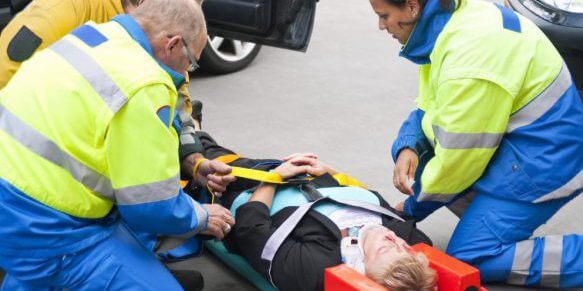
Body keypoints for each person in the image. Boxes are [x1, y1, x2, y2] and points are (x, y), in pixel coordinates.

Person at [0, 0, 235, 289]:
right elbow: (151, 204)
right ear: (173, 44)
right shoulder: (145, 82)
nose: (187, 70)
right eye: (192, 60)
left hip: (12, 212)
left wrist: (191, 158)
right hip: (51, 234)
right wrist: (199, 217)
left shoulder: (89, 37)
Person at [366, 0, 583, 288]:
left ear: (412, 7)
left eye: (384, 16)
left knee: (470, 257)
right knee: (428, 163)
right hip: (526, 143)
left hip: (546, 162)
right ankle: (490, 213)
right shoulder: (454, 20)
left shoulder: (470, 63)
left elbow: (459, 162)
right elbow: (431, 105)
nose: (382, 26)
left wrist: (409, 210)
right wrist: (409, 143)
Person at [186, 132, 436, 291]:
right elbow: (372, 200)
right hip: (310, 180)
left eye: (386, 248)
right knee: (228, 156)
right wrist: (330, 172)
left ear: (362, 266)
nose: (393, 239)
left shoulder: (315, 268)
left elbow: (251, 229)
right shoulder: (412, 242)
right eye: (402, 247)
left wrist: (273, 178)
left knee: (209, 161)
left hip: (249, 190)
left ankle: (193, 135)